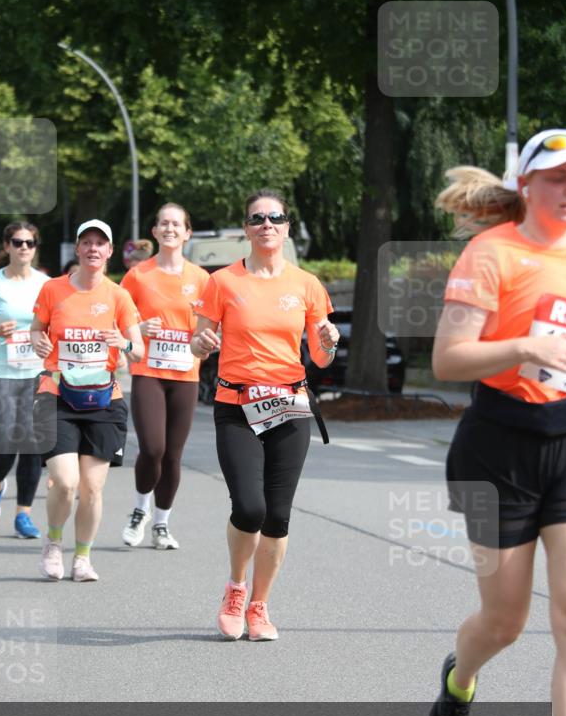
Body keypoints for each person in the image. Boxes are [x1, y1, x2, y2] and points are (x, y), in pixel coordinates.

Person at [427, 130, 566, 716]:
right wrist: (524, 346)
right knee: (504, 622)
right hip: (498, 451)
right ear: (525, 186)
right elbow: (448, 359)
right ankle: (459, 679)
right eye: (557, 178)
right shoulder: (491, 253)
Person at [191, 190, 339, 641]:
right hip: (237, 406)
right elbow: (200, 341)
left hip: (290, 406)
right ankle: (235, 588)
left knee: (277, 515)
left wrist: (329, 341)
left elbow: (321, 356)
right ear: (246, 228)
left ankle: (259, 606)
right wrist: (202, 345)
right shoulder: (223, 282)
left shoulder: (307, 285)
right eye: (258, 218)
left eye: (275, 217)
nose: (267, 224)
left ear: (287, 226)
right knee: (249, 507)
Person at [31, 219, 144, 582]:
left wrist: (121, 343)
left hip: (103, 399)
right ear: (77, 250)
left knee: (92, 488)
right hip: (57, 395)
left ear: (110, 252)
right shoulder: (53, 290)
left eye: (101, 243)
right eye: (87, 243)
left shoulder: (119, 296)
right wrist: (37, 340)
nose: (93, 249)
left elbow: (139, 351)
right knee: (65, 482)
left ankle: (82, 558)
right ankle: (53, 541)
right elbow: (36, 329)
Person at [120, 204, 209, 550]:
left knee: (173, 454)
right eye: (163, 224)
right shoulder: (138, 276)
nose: (170, 229)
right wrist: (138, 330)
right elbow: (119, 322)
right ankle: (140, 510)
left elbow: (210, 327)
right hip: (148, 371)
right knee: (152, 448)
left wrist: (204, 341)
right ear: (154, 232)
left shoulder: (202, 279)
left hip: (186, 374)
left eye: (177, 224)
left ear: (187, 232)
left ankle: (162, 523)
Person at [0, 223, 48, 538]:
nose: (24, 248)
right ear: (7, 246)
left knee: (31, 445)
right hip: (1, 370)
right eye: (18, 242)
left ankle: (23, 515)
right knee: (5, 444)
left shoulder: (47, 284)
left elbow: (55, 324)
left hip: (35, 371)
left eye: (30, 243)